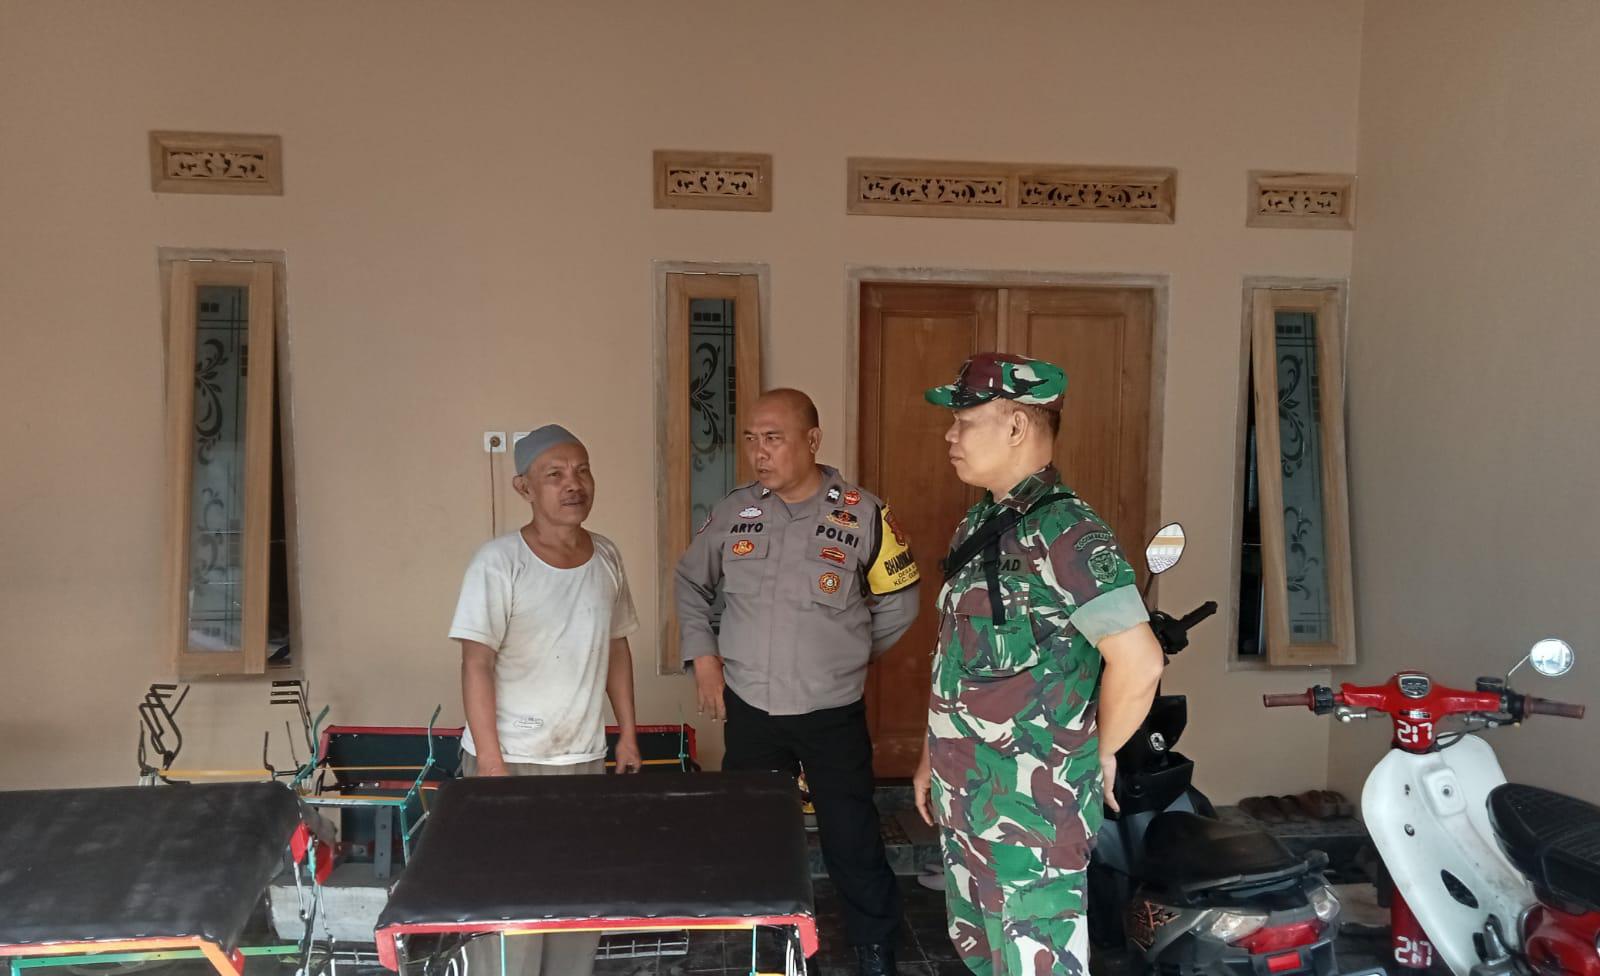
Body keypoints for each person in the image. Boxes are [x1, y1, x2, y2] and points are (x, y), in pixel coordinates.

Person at [913, 354, 1165, 976]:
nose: (949, 434)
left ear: (1017, 426)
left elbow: (1140, 663)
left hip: (1033, 819)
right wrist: (929, 756)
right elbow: (956, 659)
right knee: (984, 960)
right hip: (968, 799)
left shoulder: (1068, 533)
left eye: (965, 420)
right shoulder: (980, 524)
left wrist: (1096, 753)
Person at [675, 389, 922, 976]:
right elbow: (691, 583)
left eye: (773, 438)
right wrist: (704, 657)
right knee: (754, 829)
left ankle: (874, 943)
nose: (759, 452)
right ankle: (763, 933)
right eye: (751, 439)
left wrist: (848, 656)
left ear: (812, 440)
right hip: (751, 707)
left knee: (851, 832)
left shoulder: (864, 513)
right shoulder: (734, 511)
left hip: (830, 709)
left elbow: (901, 601)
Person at [449, 424, 642, 976]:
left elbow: (616, 647)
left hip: (583, 760)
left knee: (574, 905)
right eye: (554, 474)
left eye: (581, 471)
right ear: (524, 488)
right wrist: (491, 764)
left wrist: (627, 735)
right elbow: (476, 663)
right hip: (511, 761)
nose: (573, 484)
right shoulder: (498, 562)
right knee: (510, 911)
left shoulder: (606, 556)